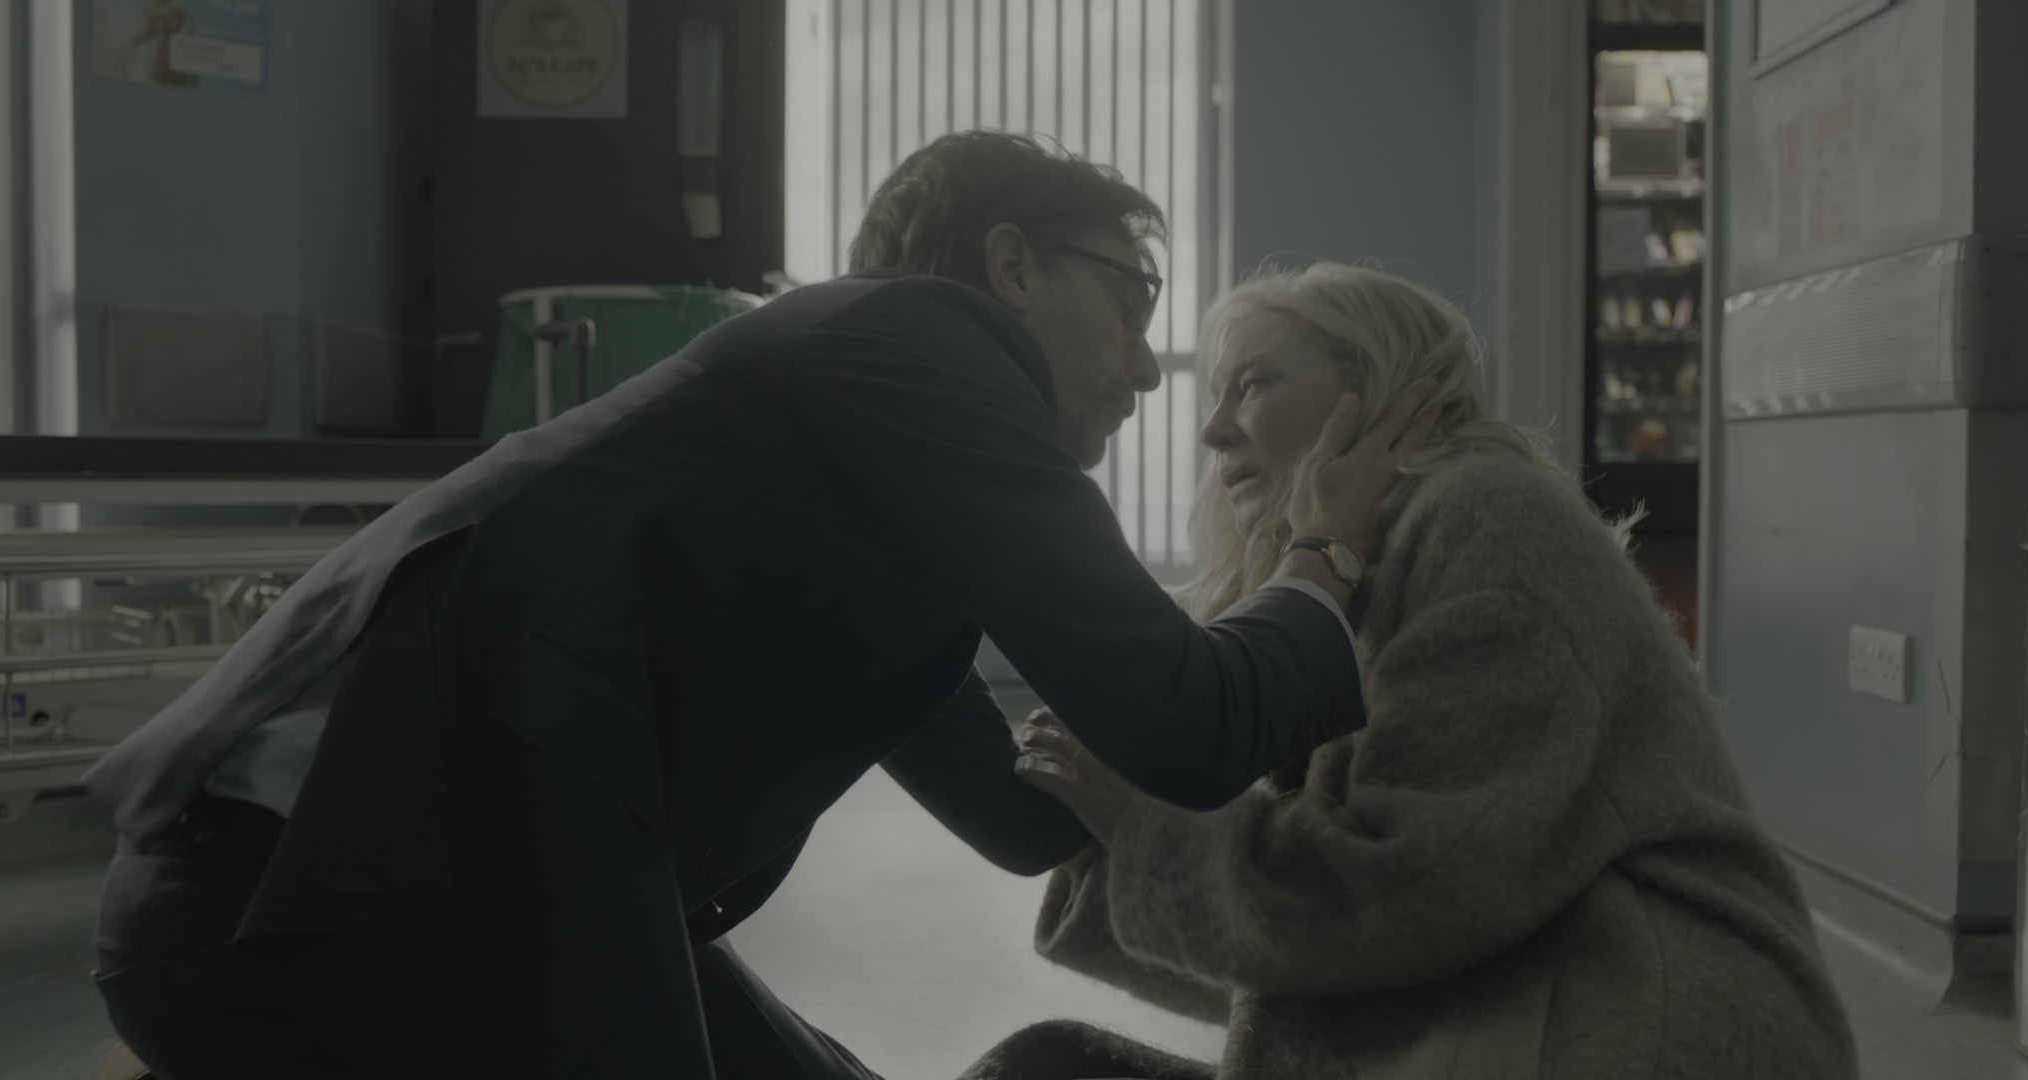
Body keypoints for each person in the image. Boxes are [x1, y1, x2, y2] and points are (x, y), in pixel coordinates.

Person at [79, 133, 1433, 1080]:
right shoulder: (918, 337)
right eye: (1133, 303)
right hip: (332, 889)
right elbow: (1189, 720)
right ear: (1011, 266)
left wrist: (1168, 749)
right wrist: (1319, 557)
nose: (1147, 371)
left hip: (429, 885)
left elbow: (1021, 819)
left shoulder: (854, 507)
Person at [972, 263, 1858, 1080]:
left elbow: (1409, 892)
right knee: (1043, 1064)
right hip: (1514, 1027)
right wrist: (1109, 843)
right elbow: (1314, 963)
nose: (1213, 429)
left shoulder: (1490, 518)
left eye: (1254, 383)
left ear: (1379, 394)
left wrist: (1140, 828)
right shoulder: (1361, 563)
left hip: (1639, 1038)